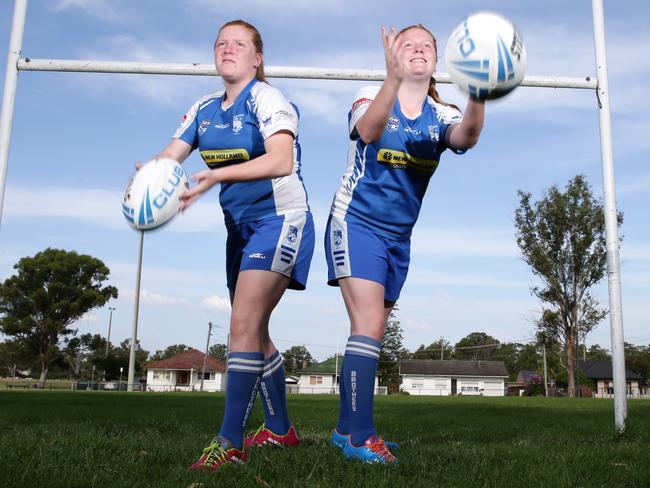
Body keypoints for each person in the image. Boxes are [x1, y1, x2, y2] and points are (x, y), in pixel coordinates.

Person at [147, 20, 314, 472]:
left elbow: (282, 159)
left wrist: (216, 175)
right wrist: (147, 178)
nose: (228, 49)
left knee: (241, 324)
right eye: (221, 43)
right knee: (254, 333)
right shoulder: (202, 109)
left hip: (281, 219)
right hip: (238, 229)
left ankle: (230, 442)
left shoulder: (267, 99)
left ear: (256, 58)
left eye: (239, 44)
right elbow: (169, 158)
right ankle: (281, 430)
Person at [325, 25, 485, 464]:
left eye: (426, 46)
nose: (417, 50)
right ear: (393, 55)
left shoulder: (441, 113)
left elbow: (465, 137)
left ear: (435, 61)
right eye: (407, 44)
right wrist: (391, 79)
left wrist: (480, 93)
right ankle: (362, 438)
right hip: (354, 223)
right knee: (369, 327)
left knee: (372, 330)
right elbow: (370, 131)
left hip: (399, 238)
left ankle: (344, 430)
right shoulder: (368, 95)